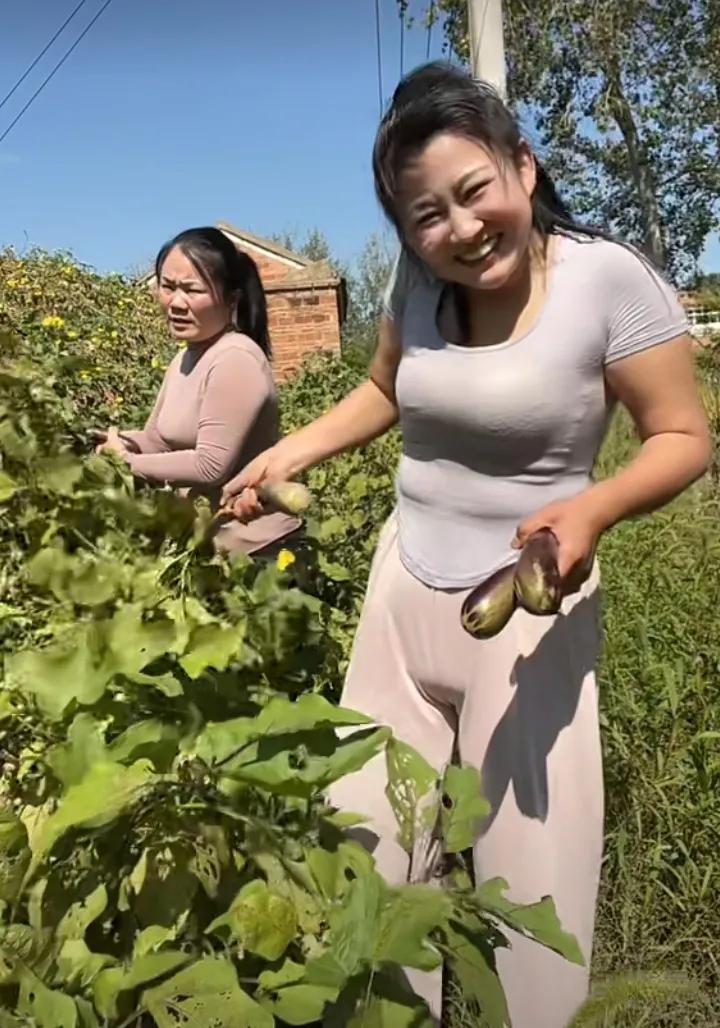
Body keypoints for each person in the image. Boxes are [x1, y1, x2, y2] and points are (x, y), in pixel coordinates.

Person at [220, 63, 711, 1026]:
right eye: (425, 215)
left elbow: (686, 440)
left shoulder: (607, 280)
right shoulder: (419, 279)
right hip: (402, 593)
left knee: (535, 898)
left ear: (521, 169)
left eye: (473, 191)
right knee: (366, 860)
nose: (459, 228)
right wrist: (287, 448)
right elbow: (384, 390)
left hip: (527, 614)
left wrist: (592, 511)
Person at [97, 226, 300, 558]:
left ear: (231, 299)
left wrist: (128, 462)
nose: (176, 302)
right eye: (168, 287)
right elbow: (158, 441)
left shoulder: (235, 358)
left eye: (192, 290)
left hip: (261, 553)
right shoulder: (186, 357)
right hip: (213, 550)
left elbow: (210, 465)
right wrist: (114, 441)